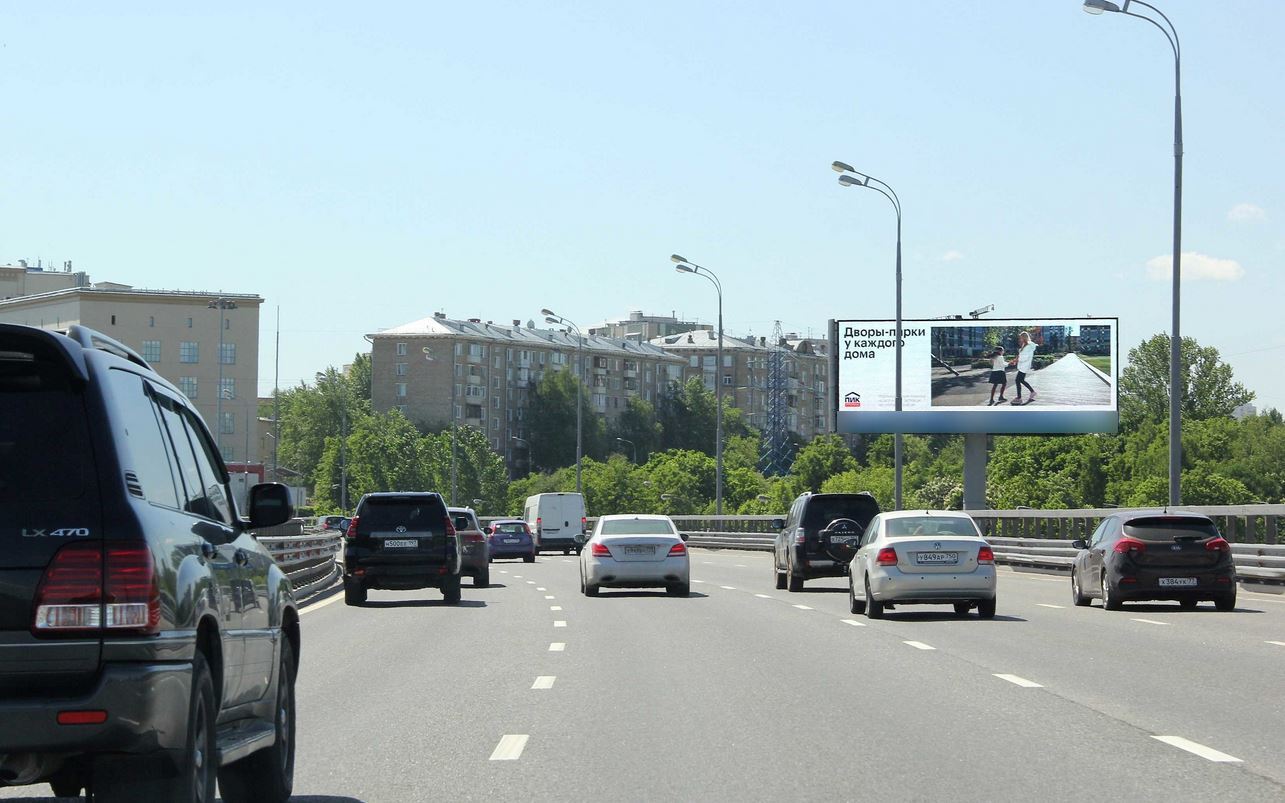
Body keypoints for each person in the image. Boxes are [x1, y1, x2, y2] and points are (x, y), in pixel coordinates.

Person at [1009, 331, 1037, 405]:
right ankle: (1032, 392)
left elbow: (1024, 357)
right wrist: (1016, 360)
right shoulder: (1024, 345)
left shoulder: (1028, 346)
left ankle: (1019, 397)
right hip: (1023, 365)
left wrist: (1017, 360)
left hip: (1024, 365)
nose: (1020, 339)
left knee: (1018, 380)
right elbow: (1020, 355)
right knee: (1020, 380)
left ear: (1024, 337)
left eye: (1021, 337)